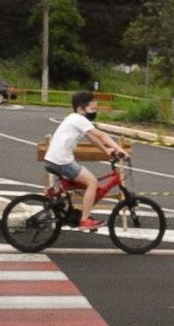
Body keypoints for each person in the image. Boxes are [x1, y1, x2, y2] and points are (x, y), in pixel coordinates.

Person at [42, 90, 129, 230]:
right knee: (92, 182)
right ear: (81, 109)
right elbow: (101, 135)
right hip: (61, 161)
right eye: (92, 109)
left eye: (95, 109)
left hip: (54, 159)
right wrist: (119, 148)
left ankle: (59, 199)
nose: (94, 112)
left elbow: (92, 138)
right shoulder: (78, 119)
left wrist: (106, 150)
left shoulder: (73, 118)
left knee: (81, 183)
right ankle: (84, 220)